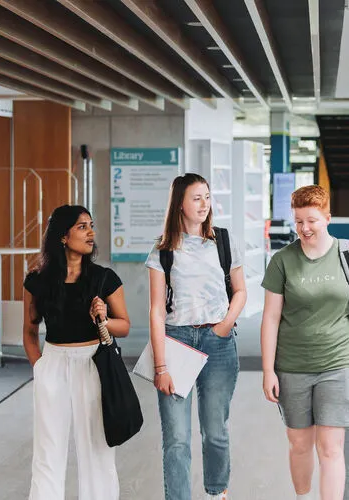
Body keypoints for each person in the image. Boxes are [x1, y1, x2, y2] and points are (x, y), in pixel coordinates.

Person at [260, 185, 349, 500]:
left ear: (328, 217)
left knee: (331, 448)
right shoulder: (282, 261)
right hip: (292, 366)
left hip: (338, 363)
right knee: (299, 444)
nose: (304, 228)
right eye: (299, 221)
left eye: (311, 220)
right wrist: (267, 370)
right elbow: (270, 318)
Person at [147, 173, 246, 500]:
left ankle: (217, 492)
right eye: (196, 198)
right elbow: (157, 311)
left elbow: (241, 292)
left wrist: (224, 325)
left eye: (207, 197)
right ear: (180, 204)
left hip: (219, 343)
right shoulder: (162, 250)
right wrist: (160, 368)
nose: (204, 204)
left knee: (215, 432)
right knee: (176, 438)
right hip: (176, 342)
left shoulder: (224, 240)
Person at [22, 205, 131, 500]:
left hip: (93, 363)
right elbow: (30, 332)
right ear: (62, 236)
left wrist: (104, 319)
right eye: (82, 226)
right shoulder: (37, 281)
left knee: (97, 449)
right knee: (48, 450)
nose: (91, 233)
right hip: (53, 363)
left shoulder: (103, 278)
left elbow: (124, 326)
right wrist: (40, 369)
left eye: (91, 225)